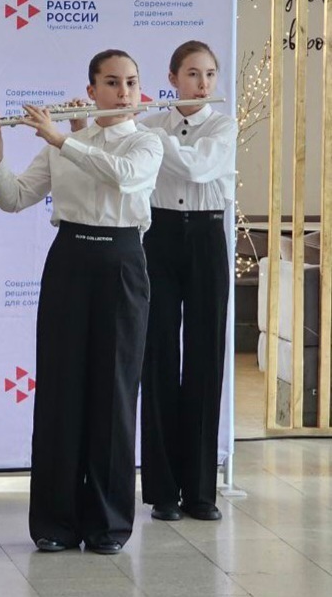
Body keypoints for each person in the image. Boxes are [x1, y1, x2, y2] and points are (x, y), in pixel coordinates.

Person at [0, 50, 162, 554]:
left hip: (122, 263)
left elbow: (123, 176)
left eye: (131, 82)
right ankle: (55, 523)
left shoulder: (146, 141)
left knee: (114, 392)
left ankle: (108, 525)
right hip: (70, 261)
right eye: (112, 83)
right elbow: (14, 198)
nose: (124, 92)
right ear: (91, 90)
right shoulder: (67, 143)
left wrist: (63, 138)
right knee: (60, 391)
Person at [138, 40, 237, 522]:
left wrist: (154, 139)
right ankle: (162, 491)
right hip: (157, 237)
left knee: (205, 357)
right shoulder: (147, 124)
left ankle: (200, 491)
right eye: (193, 74)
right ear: (173, 78)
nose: (203, 84)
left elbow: (199, 168)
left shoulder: (222, 125)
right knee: (156, 356)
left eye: (210, 74)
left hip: (205, 237)